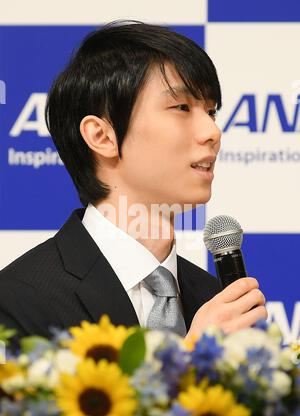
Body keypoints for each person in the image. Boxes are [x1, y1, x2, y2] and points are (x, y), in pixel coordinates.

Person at [0, 21, 267, 343]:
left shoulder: (212, 297)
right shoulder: (19, 299)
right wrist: (193, 360)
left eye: (211, 112)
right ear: (102, 136)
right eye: (181, 107)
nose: (212, 132)